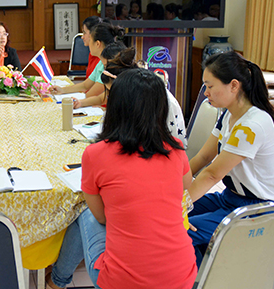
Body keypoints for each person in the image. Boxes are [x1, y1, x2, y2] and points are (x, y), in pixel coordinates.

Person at [47, 69, 197, 289]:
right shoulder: (176, 149)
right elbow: (185, 187)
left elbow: (101, 217)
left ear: (116, 107)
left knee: (83, 211)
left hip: (121, 281)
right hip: (182, 275)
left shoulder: (96, 154)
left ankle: (58, 281)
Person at [187, 51, 274, 267]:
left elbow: (212, 174)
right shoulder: (228, 114)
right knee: (171, 216)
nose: (206, 92)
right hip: (229, 198)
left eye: (209, 86)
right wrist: (174, 190)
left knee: (179, 233)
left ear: (234, 85)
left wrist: (180, 203)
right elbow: (204, 156)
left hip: (257, 207)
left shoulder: (251, 125)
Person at [51, 23, 124, 98]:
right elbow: (85, 85)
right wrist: (62, 90)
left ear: (98, 44)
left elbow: (91, 95)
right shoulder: (100, 62)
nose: (89, 44)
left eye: (91, 40)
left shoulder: (109, 64)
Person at [73, 40, 126, 109]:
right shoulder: (116, 81)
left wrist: (104, 110)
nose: (104, 71)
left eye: (105, 67)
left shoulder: (128, 85)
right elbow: (101, 99)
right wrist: (80, 103)